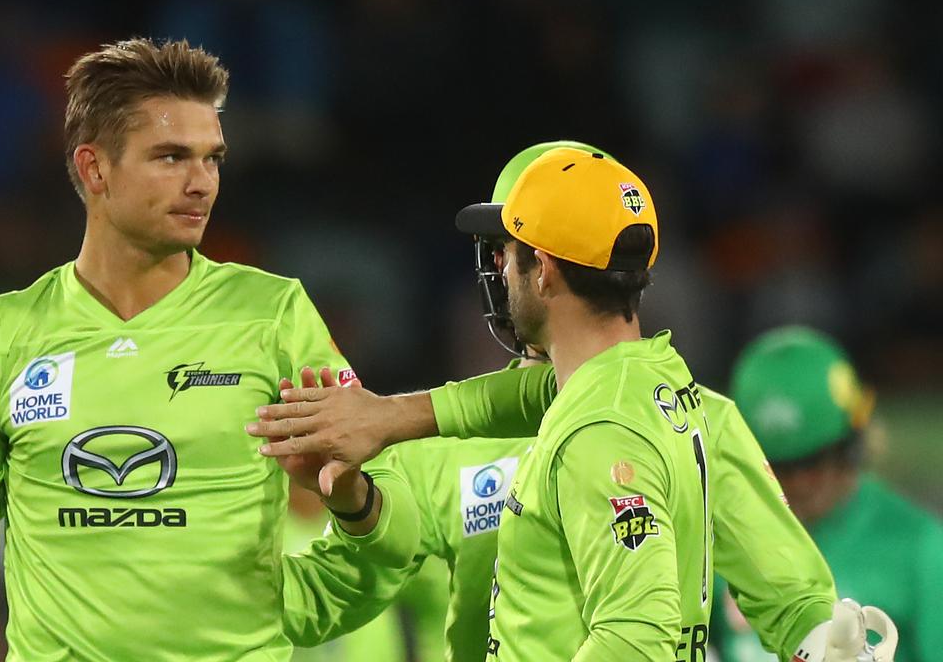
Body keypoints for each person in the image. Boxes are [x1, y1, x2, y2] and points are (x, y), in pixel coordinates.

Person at [0, 38, 418, 661]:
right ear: (94, 169)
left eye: (213, 159)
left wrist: (350, 496)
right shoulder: (0, 338)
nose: (202, 183)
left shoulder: (272, 317)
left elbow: (397, 528)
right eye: (170, 157)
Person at [254, 145, 898, 660]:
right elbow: (343, 588)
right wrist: (365, 482)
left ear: (543, 268)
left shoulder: (598, 426)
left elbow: (639, 638)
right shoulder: (672, 406)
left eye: (504, 253)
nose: (497, 273)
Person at [713, 326, 943, 662]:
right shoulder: (720, 545)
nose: (797, 484)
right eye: (776, 467)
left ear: (852, 445)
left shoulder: (922, 550)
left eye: (813, 462)